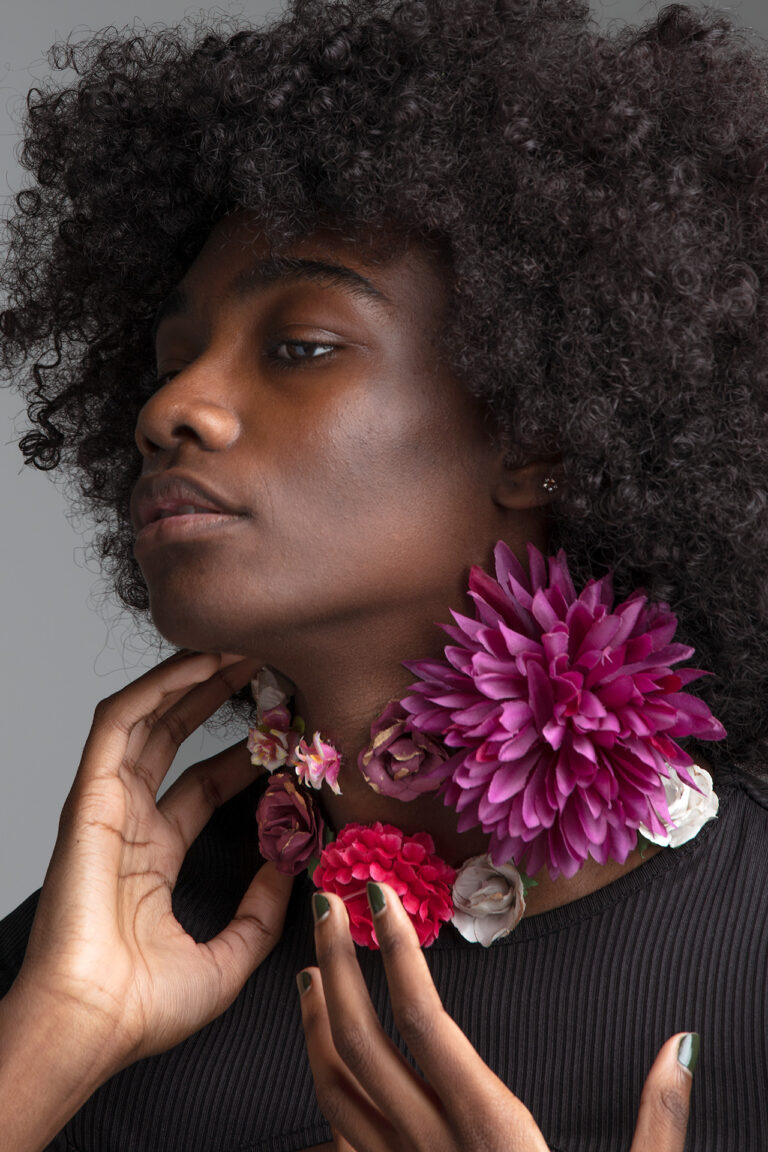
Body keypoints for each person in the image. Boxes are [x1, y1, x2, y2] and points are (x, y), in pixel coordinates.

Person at [1, 0, 767, 1148]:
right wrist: (46, 1045)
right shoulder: (89, 957)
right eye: (164, 365)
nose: (169, 409)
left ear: (535, 430)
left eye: (299, 345)